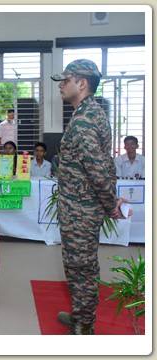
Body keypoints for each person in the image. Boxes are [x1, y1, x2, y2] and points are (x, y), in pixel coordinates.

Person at [51, 59, 129, 335]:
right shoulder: (90, 112)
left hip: (81, 210)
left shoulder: (84, 118)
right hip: (79, 207)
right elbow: (103, 164)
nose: (60, 85)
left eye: (65, 80)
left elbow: (97, 168)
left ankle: (84, 325)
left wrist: (110, 205)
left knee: (81, 266)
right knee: (77, 264)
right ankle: (81, 314)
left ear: (82, 83)